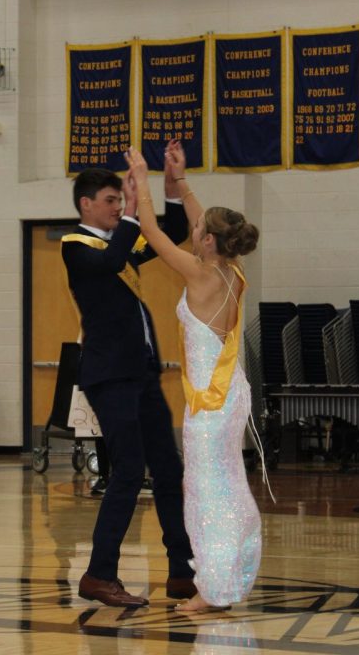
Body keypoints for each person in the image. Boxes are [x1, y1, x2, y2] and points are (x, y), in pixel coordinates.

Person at [126, 144, 264, 612]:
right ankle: (228, 577)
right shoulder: (232, 270)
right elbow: (203, 222)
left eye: (199, 231)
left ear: (207, 242)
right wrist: (179, 181)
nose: (195, 230)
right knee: (226, 487)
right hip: (229, 396)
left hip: (209, 403)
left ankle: (215, 589)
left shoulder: (199, 273)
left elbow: (150, 232)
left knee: (208, 495)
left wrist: (143, 181)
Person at [60, 144, 195, 608]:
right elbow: (114, 260)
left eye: (122, 200)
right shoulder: (76, 246)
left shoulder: (118, 240)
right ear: (86, 205)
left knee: (169, 469)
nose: (119, 207)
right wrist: (135, 213)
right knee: (128, 470)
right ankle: (98, 574)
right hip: (109, 375)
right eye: (112, 201)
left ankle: (183, 570)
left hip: (141, 372)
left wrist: (171, 184)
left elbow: (171, 232)